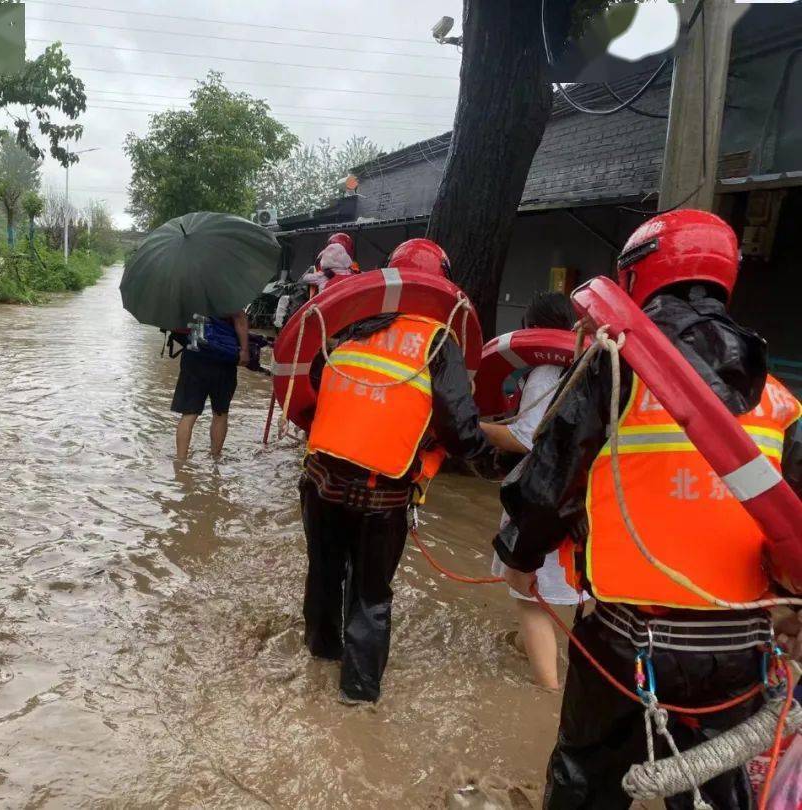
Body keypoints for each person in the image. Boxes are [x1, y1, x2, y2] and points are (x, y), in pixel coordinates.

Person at [494, 210, 802, 808]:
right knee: (720, 788)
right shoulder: (781, 401)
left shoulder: (614, 365)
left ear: (638, 275)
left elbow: (549, 480)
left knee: (586, 778)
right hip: (739, 648)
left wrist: (519, 559)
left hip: (623, 636)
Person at [300, 238, 496, 704]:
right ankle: (357, 695)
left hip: (320, 479)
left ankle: (319, 658)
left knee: (325, 575)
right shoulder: (437, 342)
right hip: (378, 493)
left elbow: (314, 381)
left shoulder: (349, 328)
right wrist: (496, 464)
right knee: (370, 594)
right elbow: (460, 427)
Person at [479, 291, 583, 691]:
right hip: (580, 494)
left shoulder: (546, 373)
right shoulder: (591, 371)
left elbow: (525, 440)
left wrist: (477, 426)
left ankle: (546, 691)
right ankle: (528, 649)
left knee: (529, 594)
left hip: (541, 494)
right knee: (560, 589)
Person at [172, 310, 250, 461]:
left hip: (194, 354)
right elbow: (240, 318)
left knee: (188, 413)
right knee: (220, 412)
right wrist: (245, 350)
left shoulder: (186, 290)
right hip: (223, 356)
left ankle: (180, 464)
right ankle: (215, 459)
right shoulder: (227, 289)